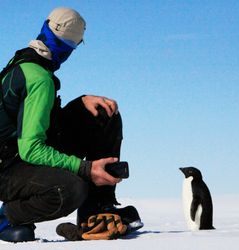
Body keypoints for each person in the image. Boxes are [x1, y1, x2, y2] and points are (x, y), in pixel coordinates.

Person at [0, 7, 143, 242]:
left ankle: (97, 209)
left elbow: (30, 124)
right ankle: (8, 216)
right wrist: (86, 168)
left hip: (15, 155)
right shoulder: (39, 78)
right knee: (71, 189)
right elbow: (31, 148)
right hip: (8, 170)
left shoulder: (25, 61)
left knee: (102, 114)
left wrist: (80, 104)